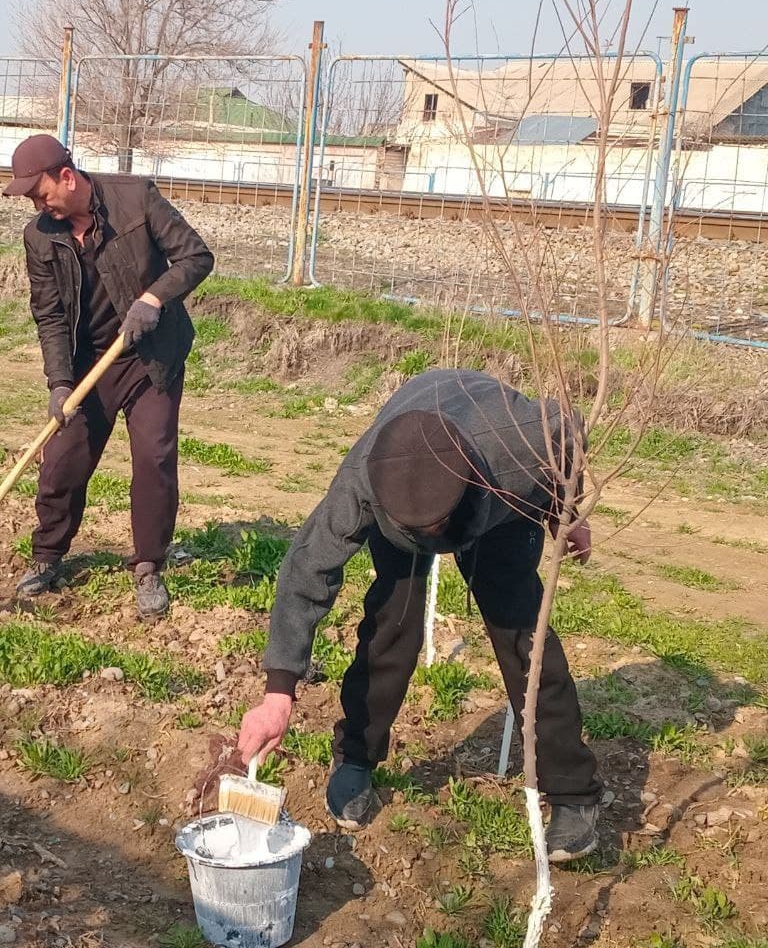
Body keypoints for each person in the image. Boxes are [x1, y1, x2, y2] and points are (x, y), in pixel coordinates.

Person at [236, 368, 604, 862]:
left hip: (494, 494)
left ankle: (574, 791)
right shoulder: (365, 480)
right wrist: (278, 692)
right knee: (392, 620)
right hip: (408, 470)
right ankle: (357, 757)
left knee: (522, 634)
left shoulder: (520, 449)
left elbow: (570, 429)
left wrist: (567, 508)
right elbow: (305, 571)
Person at [3, 134, 214, 618]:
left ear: (67, 177)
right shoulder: (40, 237)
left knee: (154, 458)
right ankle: (48, 556)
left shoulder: (135, 198)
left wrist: (153, 299)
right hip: (87, 364)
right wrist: (59, 382)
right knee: (61, 460)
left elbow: (196, 257)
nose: (37, 204)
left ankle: (148, 567)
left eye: (40, 193)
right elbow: (50, 316)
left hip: (149, 355)